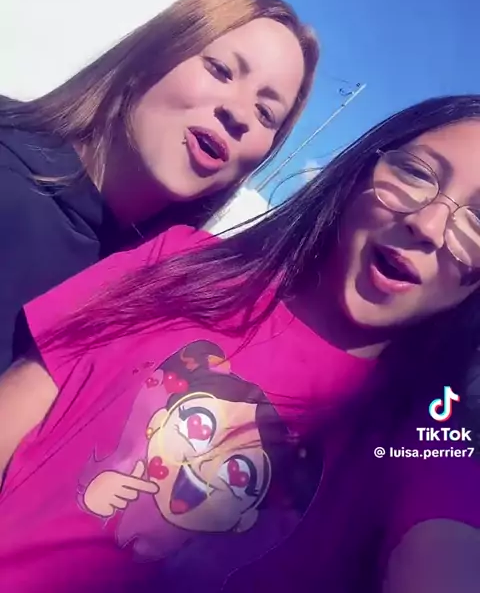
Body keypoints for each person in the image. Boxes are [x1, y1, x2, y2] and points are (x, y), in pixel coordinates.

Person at [0, 94, 479, 593]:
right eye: (417, 173)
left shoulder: (430, 438)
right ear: (361, 173)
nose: (427, 225)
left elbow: (445, 551)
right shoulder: (182, 263)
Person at [0, 0, 319, 371]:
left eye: (266, 113)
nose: (239, 113)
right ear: (152, 55)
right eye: (221, 70)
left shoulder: (148, 302)